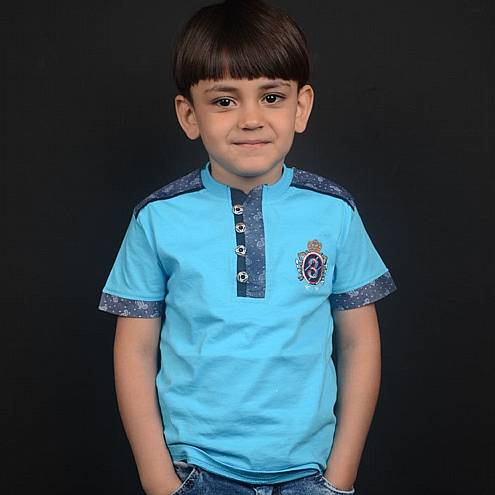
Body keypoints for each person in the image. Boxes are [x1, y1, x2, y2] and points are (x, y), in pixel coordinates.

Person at [97, 1, 398, 494]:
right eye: (224, 101)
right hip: (196, 472)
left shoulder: (335, 212)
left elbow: (359, 342)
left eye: (272, 97)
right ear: (189, 115)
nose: (251, 119)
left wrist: (340, 475)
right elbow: (134, 349)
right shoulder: (157, 218)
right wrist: (158, 480)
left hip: (310, 474)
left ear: (301, 107)